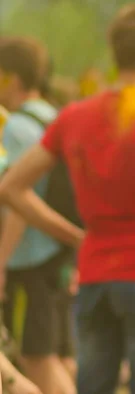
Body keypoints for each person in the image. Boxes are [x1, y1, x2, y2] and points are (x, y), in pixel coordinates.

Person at [0, 4, 135, 394]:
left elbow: (11, 187)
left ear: (115, 53)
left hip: (94, 268)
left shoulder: (74, 116)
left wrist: (75, 236)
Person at [0, 37, 76, 394]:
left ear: (10, 78)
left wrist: (1, 260)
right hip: (57, 252)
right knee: (59, 353)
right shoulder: (52, 114)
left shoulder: (17, 126)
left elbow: (20, 198)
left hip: (29, 258)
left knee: (35, 357)